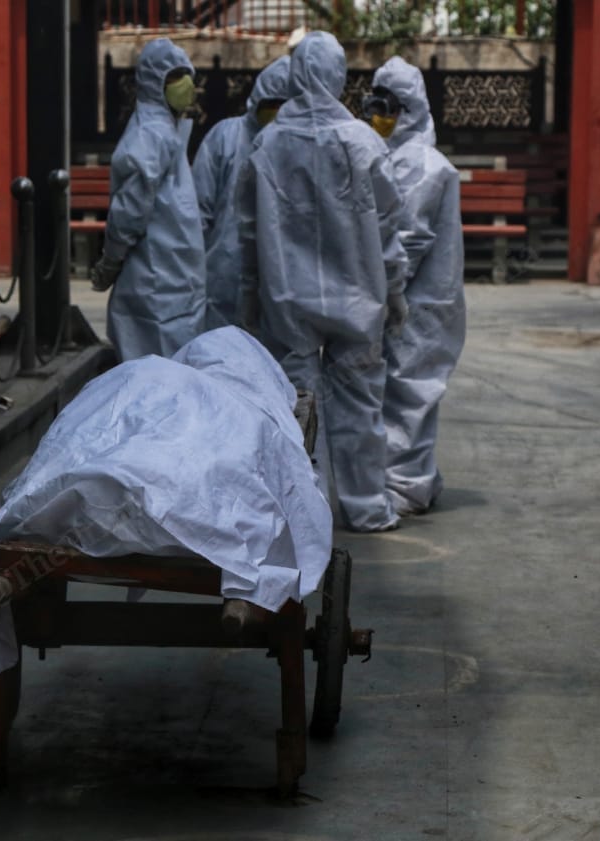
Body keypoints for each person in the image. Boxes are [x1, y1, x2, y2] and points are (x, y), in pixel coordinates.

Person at [0, 326, 333, 677]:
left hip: (92, 491)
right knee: (187, 466)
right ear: (262, 377)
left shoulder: (144, 372)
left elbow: (81, 426)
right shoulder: (254, 410)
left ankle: (112, 482)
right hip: (170, 497)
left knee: (115, 455)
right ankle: (129, 483)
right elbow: (283, 480)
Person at [236, 31, 410, 533]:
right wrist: (395, 291)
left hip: (287, 300)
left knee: (294, 412)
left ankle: (301, 513)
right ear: (339, 77)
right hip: (357, 299)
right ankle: (366, 507)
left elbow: (246, 232)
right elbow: (387, 229)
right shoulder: (362, 143)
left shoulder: (268, 144)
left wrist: (248, 296)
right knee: (360, 408)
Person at [367, 56, 466, 516]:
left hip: (420, 302)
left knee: (409, 390)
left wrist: (387, 289)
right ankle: (417, 477)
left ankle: (406, 487)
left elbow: (410, 238)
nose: (380, 116)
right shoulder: (398, 157)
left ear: (409, 109)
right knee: (409, 390)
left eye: (389, 107)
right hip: (417, 298)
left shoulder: (425, 165)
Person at [90, 38, 206, 361]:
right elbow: (129, 211)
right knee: (161, 363)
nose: (185, 84)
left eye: (186, 75)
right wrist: (111, 259)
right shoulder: (152, 134)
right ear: (155, 82)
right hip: (157, 271)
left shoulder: (164, 130)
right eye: (175, 76)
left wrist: (110, 261)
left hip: (169, 271)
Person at [192, 56, 292, 329]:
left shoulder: (297, 146)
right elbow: (198, 209)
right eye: (270, 104)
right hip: (223, 274)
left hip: (277, 279)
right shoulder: (225, 137)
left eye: (283, 105)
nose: (276, 112)